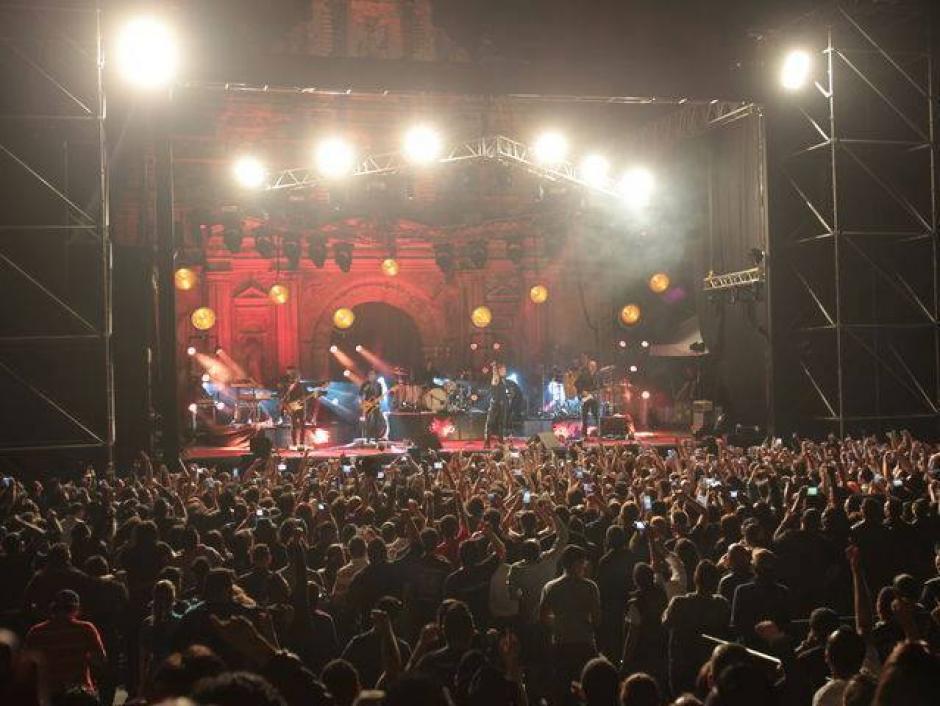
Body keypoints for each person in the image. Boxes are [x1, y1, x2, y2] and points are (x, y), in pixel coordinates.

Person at [539, 545, 601, 705]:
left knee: (563, 689)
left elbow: (543, 618)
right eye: (583, 562)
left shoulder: (550, 587)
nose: (585, 565)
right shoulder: (590, 587)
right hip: (584, 642)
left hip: (561, 642)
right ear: (576, 563)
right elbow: (597, 620)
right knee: (587, 689)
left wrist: (560, 623)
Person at [24, 589, 106, 699]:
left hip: (48, 695)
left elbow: (27, 668)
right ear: (76, 609)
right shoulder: (86, 629)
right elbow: (100, 660)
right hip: (80, 693)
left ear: (53, 608)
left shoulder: (36, 632)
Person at [484, 362, 510, 448]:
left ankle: (500, 440)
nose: (505, 371)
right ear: (499, 370)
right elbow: (495, 374)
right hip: (495, 404)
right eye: (503, 369)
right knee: (490, 423)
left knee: (501, 423)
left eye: (505, 369)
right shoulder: (496, 377)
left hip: (502, 404)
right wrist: (494, 367)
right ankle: (487, 442)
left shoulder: (503, 380)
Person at [575, 358, 601, 438]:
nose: (593, 367)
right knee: (584, 417)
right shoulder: (584, 374)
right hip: (585, 398)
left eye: (595, 366)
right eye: (592, 366)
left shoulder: (598, 376)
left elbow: (601, 386)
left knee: (596, 415)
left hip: (594, 398)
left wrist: (603, 389)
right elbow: (576, 383)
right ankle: (584, 434)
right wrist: (582, 391)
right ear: (589, 366)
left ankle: (599, 432)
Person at [359, 370, 386, 442]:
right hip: (367, 404)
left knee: (376, 421)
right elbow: (360, 394)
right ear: (368, 376)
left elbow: (380, 395)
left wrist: (380, 399)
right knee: (367, 421)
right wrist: (363, 402)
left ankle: (376, 438)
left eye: (373, 375)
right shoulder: (365, 384)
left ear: (375, 376)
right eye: (370, 375)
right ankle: (368, 438)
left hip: (376, 404)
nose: (372, 376)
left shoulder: (378, 384)